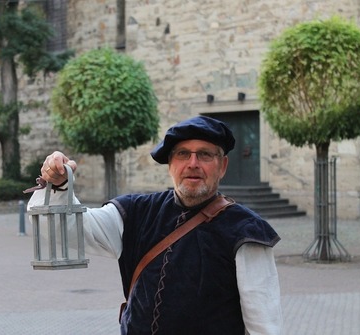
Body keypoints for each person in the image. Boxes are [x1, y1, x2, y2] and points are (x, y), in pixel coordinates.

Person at [28, 115, 283, 335]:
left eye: (205, 154)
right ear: (171, 164)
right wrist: (60, 184)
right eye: (183, 154)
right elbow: (69, 230)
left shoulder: (247, 231)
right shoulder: (135, 212)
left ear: (222, 166)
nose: (193, 163)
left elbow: (264, 325)